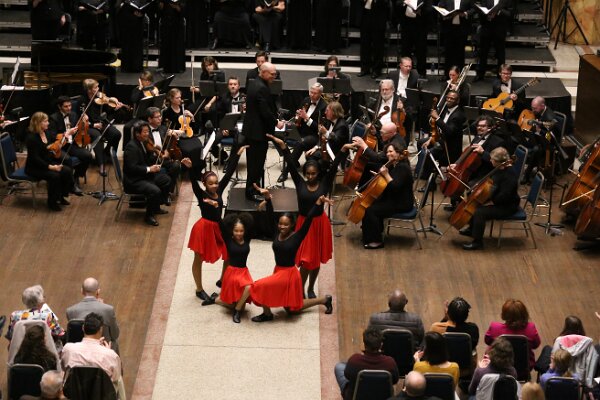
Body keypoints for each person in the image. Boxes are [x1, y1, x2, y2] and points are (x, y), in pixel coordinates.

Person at [241, 185, 334, 322]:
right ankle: (325, 300)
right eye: (280, 224)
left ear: (292, 225)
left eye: (286, 225)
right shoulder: (276, 233)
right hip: (278, 271)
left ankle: (267, 314)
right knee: (291, 310)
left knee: (260, 286)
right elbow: (270, 215)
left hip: (289, 275)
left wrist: (318, 203)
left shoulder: (297, 236)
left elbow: (309, 219)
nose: (282, 227)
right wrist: (268, 198)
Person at [270, 134, 344, 298]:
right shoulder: (300, 183)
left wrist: (343, 151)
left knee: (315, 260)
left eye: (313, 174)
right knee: (305, 260)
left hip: (319, 223)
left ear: (318, 173)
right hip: (304, 224)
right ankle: (300, 288)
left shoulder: (324, 184)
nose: (310, 176)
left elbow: (333, 168)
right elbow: (291, 164)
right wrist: (284, 148)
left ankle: (310, 288)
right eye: (308, 174)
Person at [188, 146, 246, 300]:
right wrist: (190, 169)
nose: (214, 185)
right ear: (205, 184)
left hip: (219, 226)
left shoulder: (219, 191)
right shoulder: (201, 195)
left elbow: (229, 173)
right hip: (203, 228)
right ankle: (199, 289)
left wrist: (237, 155)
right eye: (211, 184)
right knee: (198, 258)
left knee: (228, 252)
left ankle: (222, 280)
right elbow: (193, 183)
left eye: (216, 183)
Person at [459, 147, 520, 250]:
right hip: (498, 199)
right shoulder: (499, 167)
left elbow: (504, 197)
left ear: (499, 162)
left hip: (507, 206)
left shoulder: (510, 176)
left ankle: (478, 242)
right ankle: (472, 230)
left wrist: (490, 199)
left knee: (479, 212)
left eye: (492, 160)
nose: (490, 160)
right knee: (476, 203)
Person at [201, 212, 255, 324]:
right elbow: (220, 223)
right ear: (231, 230)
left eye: (241, 231)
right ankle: (237, 311)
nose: (239, 233)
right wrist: (215, 208)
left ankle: (216, 300)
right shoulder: (228, 239)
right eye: (236, 231)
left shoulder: (247, 238)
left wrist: (266, 203)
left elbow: (253, 222)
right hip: (232, 274)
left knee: (243, 303)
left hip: (244, 272)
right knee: (249, 287)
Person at [243, 62, 285, 201]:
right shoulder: (261, 87)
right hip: (258, 134)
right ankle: (252, 192)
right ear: (264, 72)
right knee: (256, 165)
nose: (274, 76)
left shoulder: (254, 82)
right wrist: (277, 122)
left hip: (253, 132)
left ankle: (255, 188)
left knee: (254, 164)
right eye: (272, 74)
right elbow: (265, 112)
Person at [359, 143, 415, 249]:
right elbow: (390, 183)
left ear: (398, 153)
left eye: (391, 151)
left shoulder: (403, 167)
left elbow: (395, 187)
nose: (388, 154)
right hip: (395, 199)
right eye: (387, 152)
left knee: (371, 210)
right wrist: (380, 176)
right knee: (371, 204)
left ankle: (376, 240)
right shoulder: (395, 165)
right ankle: (371, 232)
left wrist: (385, 174)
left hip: (402, 203)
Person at [444, 115, 505, 211]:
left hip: (485, 173)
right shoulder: (477, 138)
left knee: (467, 185)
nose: (479, 128)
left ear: (490, 128)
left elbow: (499, 162)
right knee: (456, 179)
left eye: (483, 126)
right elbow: (467, 154)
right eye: (478, 126)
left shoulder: (498, 142)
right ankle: (455, 204)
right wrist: (456, 164)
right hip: (472, 169)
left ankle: (465, 210)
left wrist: (483, 152)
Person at [123, 121, 172, 226]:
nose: (147, 134)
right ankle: (149, 216)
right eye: (144, 132)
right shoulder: (131, 147)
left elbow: (145, 161)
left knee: (166, 180)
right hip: (134, 181)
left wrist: (155, 160)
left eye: (148, 131)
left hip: (143, 176)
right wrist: (149, 169)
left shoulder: (142, 143)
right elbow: (132, 168)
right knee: (155, 191)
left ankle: (156, 207)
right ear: (137, 134)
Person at [61, 313, 124, 394]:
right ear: (101, 330)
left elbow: (64, 368)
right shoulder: (111, 355)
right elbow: (115, 378)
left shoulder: (68, 349)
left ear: (83, 328)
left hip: (74, 394)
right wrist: (108, 351)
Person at [277, 82, 327, 183]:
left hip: (314, 135)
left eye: (315, 93)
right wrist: (294, 119)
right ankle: (293, 160)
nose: (312, 95)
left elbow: (319, 128)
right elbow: (298, 115)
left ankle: (286, 171)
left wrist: (307, 118)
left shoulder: (324, 106)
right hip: (300, 130)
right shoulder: (306, 100)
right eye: (311, 92)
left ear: (320, 94)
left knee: (301, 143)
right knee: (278, 133)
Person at [25, 112, 74, 211]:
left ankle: (61, 196)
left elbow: (56, 140)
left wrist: (66, 134)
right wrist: (51, 167)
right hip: (35, 167)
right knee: (54, 176)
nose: (48, 123)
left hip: (47, 162)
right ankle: (52, 202)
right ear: (38, 123)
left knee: (67, 171)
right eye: (45, 121)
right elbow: (35, 158)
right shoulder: (31, 138)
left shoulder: (46, 132)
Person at [334, 326, 400, 400]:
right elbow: (395, 380)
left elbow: (347, 375)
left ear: (364, 344)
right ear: (381, 345)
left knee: (339, 367)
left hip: (355, 397)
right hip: (384, 397)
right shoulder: (390, 362)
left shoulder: (354, 360)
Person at [48, 95, 93, 195]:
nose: (69, 108)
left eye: (70, 105)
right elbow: (52, 137)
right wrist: (66, 133)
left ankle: (76, 176)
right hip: (60, 146)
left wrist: (84, 123)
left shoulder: (73, 114)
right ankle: (71, 185)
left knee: (88, 155)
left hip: (71, 144)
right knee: (67, 159)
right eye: (66, 106)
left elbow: (79, 131)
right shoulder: (53, 118)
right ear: (59, 107)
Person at [79, 79, 122, 177]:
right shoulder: (82, 100)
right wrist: (92, 125)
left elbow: (108, 112)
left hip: (102, 123)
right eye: (95, 87)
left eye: (98, 86)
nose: (98, 89)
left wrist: (115, 109)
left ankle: (106, 154)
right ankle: (101, 164)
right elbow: (79, 119)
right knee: (97, 136)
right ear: (89, 90)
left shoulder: (101, 98)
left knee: (116, 134)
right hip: (90, 126)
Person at [66, 277, 120, 354]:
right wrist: (102, 305)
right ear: (98, 291)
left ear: (82, 291)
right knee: (114, 341)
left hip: (81, 351)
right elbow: (115, 335)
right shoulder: (108, 310)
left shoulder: (70, 311)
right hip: (103, 351)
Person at [161, 88, 206, 180]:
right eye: (177, 98)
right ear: (171, 99)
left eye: (180, 97)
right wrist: (176, 131)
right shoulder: (167, 112)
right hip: (177, 138)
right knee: (188, 150)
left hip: (189, 135)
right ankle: (188, 170)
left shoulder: (184, 109)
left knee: (199, 147)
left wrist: (192, 117)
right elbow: (164, 129)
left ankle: (197, 171)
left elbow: (194, 127)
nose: (180, 100)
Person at [484, 299, 541, 370]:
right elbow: (536, 345)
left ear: (504, 315)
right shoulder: (531, 328)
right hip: (523, 368)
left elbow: (487, 341)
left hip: (498, 367)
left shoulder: (494, 327)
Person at [145, 107, 185, 198]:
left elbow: (168, 144)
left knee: (176, 166)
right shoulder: (145, 132)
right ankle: (162, 193)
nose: (160, 119)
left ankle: (168, 191)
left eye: (160, 116)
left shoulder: (163, 128)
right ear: (149, 119)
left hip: (164, 158)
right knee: (163, 173)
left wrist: (167, 151)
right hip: (152, 160)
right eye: (157, 117)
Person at [421, 90, 466, 170]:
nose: (448, 100)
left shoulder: (458, 115)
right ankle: (424, 170)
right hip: (442, 140)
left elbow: (449, 131)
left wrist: (437, 118)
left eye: (452, 98)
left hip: (449, 146)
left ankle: (429, 171)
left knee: (428, 153)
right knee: (421, 143)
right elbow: (439, 128)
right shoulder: (446, 109)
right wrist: (431, 138)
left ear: (457, 101)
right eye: (447, 97)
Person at [521, 96, 560, 184]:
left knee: (536, 150)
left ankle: (527, 175)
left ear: (542, 106)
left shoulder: (550, 117)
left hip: (550, 143)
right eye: (532, 108)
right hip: (540, 138)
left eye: (535, 108)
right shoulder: (540, 111)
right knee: (523, 140)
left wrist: (539, 131)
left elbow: (550, 135)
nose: (533, 110)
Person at [475, 0, 512, 81]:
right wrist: (487, 14)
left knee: (500, 54)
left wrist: (498, 12)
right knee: (483, 53)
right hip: (487, 28)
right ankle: (480, 74)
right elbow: (481, 10)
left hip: (499, 30)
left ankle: (501, 75)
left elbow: (509, 13)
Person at [437, 0, 473, 77]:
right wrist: (445, 14)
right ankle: (447, 75)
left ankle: (459, 76)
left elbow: (473, 9)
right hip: (448, 28)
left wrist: (465, 13)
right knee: (448, 53)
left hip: (462, 29)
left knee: (460, 53)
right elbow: (440, 7)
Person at [398, 0, 431, 78]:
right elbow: (397, 3)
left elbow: (429, 7)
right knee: (406, 49)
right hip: (406, 24)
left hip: (420, 25)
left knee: (421, 49)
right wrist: (404, 3)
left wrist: (421, 11)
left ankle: (421, 72)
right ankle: (405, 71)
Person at [358, 0, 390, 79]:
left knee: (377, 45)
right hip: (366, 16)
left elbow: (386, 3)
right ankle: (365, 68)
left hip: (378, 18)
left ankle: (376, 70)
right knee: (365, 44)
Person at [117, 0, 145, 72]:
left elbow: (144, 4)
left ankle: (136, 66)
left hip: (137, 22)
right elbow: (118, 6)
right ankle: (127, 66)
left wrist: (141, 13)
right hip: (126, 21)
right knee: (127, 44)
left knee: (137, 45)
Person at [158, 0, 186, 73]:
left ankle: (178, 67)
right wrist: (161, 5)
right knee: (166, 44)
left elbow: (183, 10)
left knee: (177, 45)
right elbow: (160, 9)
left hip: (177, 24)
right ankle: (164, 66)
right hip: (166, 22)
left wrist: (177, 7)